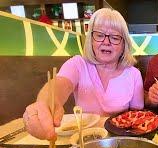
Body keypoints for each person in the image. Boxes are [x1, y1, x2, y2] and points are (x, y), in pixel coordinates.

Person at [23, 8, 144, 140]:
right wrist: (46, 103)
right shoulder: (77, 64)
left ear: (123, 45)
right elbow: (60, 85)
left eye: (115, 37)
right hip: (85, 141)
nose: (106, 42)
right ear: (91, 39)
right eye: (99, 35)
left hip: (121, 140)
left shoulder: (134, 74)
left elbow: (136, 117)